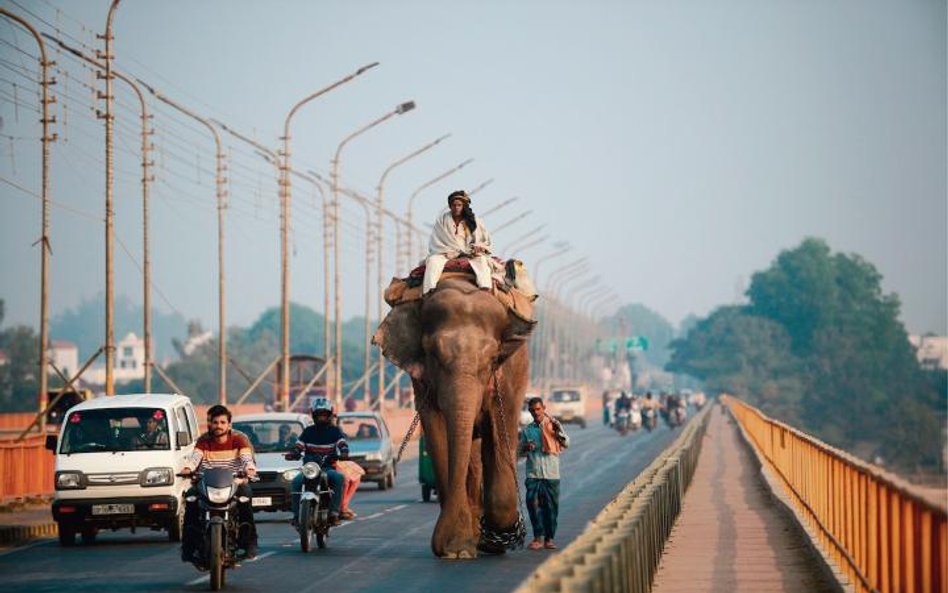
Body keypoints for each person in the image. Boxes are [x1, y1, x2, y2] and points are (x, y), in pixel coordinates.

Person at [180, 404, 258, 563]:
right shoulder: (203, 441)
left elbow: (246, 459)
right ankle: (189, 547)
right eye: (215, 422)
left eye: (223, 422)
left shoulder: (239, 440)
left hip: (234, 483)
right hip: (205, 484)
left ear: (229, 424)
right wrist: (188, 468)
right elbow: (194, 459)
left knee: (246, 498)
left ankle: (248, 544)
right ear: (210, 424)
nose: (219, 426)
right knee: (190, 500)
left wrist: (249, 469)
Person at [518, 397, 569, 551]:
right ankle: (537, 538)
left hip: (551, 474)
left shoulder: (553, 425)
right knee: (532, 504)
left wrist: (557, 433)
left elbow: (566, 443)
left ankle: (549, 538)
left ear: (544, 408)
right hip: (533, 474)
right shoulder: (527, 430)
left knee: (550, 508)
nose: (535, 412)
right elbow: (519, 451)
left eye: (538, 409)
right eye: (532, 410)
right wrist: (527, 447)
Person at [287, 397, 348, 526]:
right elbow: (299, 445)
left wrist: (344, 453)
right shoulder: (308, 431)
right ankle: (297, 516)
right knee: (296, 482)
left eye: (324, 414)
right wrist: (294, 453)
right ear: (314, 415)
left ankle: (334, 513)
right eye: (319, 415)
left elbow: (342, 444)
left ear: (329, 415)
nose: (321, 417)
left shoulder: (335, 431)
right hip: (310, 469)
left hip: (327, 468)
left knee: (339, 478)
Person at [422, 189, 493, 295]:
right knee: (432, 261)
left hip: (469, 253)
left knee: (482, 262)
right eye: (454, 205)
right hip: (446, 253)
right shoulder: (442, 220)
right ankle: (429, 291)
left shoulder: (474, 220)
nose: (456, 208)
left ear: (463, 206)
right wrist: (446, 251)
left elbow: (484, 240)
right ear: (450, 206)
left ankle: (485, 289)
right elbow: (436, 241)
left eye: (459, 205)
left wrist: (477, 247)